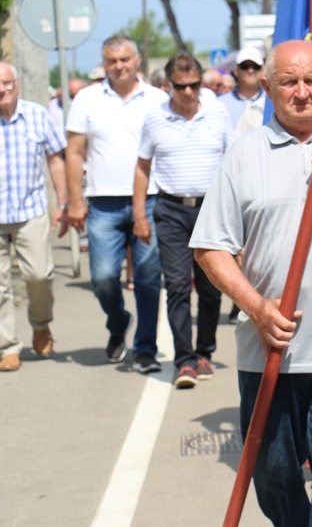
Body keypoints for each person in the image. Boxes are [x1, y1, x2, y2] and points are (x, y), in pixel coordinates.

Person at [192, 39, 312, 526]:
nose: (302, 92)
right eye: (289, 82)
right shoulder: (243, 155)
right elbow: (211, 248)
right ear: (268, 87)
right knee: (273, 473)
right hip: (269, 350)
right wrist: (256, 307)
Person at [66, 36, 168, 370]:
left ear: (137, 61)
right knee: (104, 276)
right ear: (104, 63)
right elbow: (74, 152)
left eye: (125, 60)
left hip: (150, 201)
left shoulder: (158, 99)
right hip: (103, 204)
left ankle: (145, 349)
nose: (119, 66)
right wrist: (74, 202)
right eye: (112, 61)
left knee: (149, 277)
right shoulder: (87, 98)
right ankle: (118, 322)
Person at [133, 54, 232, 387]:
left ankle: (204, 351)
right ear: (168, 85)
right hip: (171, 209)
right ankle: (184, 360)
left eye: (194, 85)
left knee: (211, 287)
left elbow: (231, 162)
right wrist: (139, 216)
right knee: (176, 286)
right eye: (180, 86)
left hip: (212, 210)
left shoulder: (217, 112)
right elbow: (143, 167)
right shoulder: (155, 118)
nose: (188, 92)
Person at [0, 63, 70, 372]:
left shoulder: (38, 115)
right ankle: (8, 346)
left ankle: (41, 325)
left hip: (31, 212)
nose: (2, 89)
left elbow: (56, 159)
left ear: (16, 83)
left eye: (7, 83)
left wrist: (64, 203)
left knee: (39, 275)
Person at [219, 46, 266, 129]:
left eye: (255, 66)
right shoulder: (221, 104)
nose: (250, 71)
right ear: (236, 70)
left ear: (263, 70)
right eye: (245, 66)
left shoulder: (272, 102)